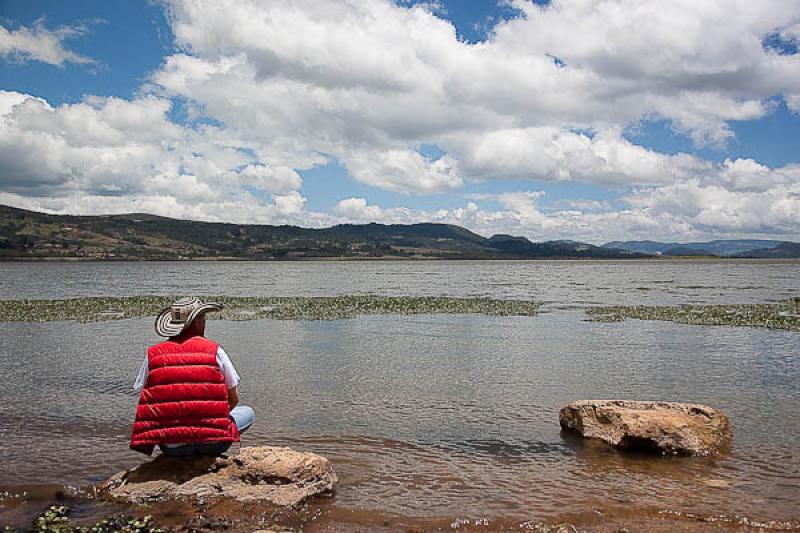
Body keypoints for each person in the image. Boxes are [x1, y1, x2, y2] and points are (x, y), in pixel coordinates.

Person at [130, 297, 254, 456]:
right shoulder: (215, 351)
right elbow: (234, 399)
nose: (205, 322)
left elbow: (149, 402)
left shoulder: (153, 355)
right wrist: (208, 422)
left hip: (172, 447)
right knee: (248, 412)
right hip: (214, 443)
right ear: (196, 322)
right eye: (203, 317)